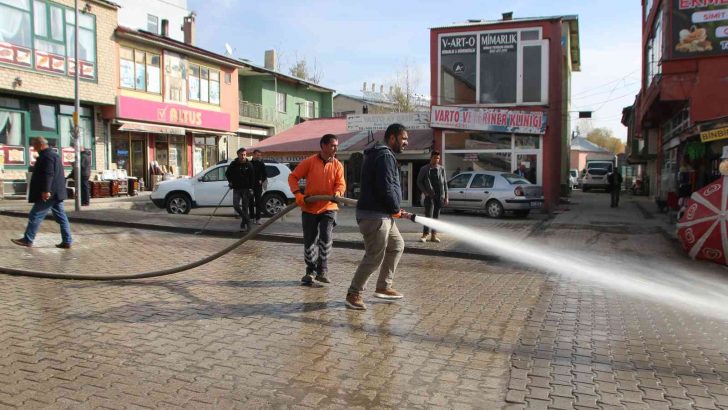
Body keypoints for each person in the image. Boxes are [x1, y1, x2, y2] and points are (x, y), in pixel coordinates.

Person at [346, 123, 412, 310]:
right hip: (375, 216)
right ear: (392, 138)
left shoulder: (382, 154)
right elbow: (386, 187)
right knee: (374, 256)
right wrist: (395, 208)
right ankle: (354, 293)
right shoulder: (384, 156)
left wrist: (393, 210)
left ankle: (383, 286)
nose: (406, 142)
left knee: (397, 245)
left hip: (383, 215)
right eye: (403, 138)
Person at [288, 134, 346, 285]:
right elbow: (293, 177)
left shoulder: (338, 165)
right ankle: (310, 271)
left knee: (326, 237)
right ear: (324, 146)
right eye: (333, 145)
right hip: (309, 206)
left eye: (336, 145)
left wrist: (338, 193)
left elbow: (341, 184)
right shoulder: (310, 162)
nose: (335, 148)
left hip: (329, 206)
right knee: (309, 240)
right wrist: (298, 194)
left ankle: (322, 271)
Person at [12, 137, 73, 249]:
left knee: (35, 215)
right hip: (56, 192)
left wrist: (46, 191)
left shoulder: (47, 156)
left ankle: (28, 239)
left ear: (40, 145)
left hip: (50, 193)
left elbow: (48, 174)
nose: (33, 148)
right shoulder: (52, 154)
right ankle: (67, 241)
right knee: (61, 217)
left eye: (34, 145)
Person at [417, 151, 448, 243]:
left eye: (438, 158)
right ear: (431, 158)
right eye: (435, 158)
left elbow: (445, 183)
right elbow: (419, 182)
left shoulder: (441, 169)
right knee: (428, 216)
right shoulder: (424, 169)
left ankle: (434, 236)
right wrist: (425, 192)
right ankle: (425, 235)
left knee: (436, 217)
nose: (436, 160)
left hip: (439, 196)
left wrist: (446, 197)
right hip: (429, 196)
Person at [225, 147, 255, 232]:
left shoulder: (249, 165)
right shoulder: (233, 164)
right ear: (238, 155)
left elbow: (252, 177)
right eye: (241, 155)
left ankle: (244, 223)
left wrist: (251, 188)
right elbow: (227, 174)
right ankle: (247, 219)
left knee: (245, 207)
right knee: (236, 205)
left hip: (246, 189)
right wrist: (230, 182)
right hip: (237, 188)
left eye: (244, 155)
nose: (243, 156)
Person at [249, 149, 267, 225]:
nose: (259, 156)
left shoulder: (261, 163)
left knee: (258, 202)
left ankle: (258, 218)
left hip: (258, 186)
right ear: (253, 155)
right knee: (250, 202)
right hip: (250, 185)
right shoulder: (249, 163)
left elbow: (265, 174)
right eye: (257, 155)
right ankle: (251, 217)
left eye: (260, 155)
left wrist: (261, 180)